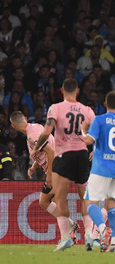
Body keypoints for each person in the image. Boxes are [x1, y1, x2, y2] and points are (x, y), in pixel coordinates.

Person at [32, 78, 96, 251]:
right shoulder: (87, 110)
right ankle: (89, 234)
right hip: (82, 155)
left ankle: (65, 238)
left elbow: (46, 132)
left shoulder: (56, 108)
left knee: (61, 197)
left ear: (61, 90)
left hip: (64, 156)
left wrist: (36, 149)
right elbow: (95, 134)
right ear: (77, 91)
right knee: (85, 197)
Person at [10, 111, 78, 244]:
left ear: (13, 126)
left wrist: (50, 176)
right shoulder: (36, 128)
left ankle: (69, 234)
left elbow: (51, 152)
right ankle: (70, 228)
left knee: (56, 199)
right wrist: (34, 166)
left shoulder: (31, 135)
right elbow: (46, 149)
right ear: (25, 118)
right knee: (45, 200)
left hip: (58, 167)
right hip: (61, 164)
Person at [81, 91, 115, 252]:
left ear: (105, 104)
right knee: (112, 207)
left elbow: (88, 141)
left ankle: (103, 231)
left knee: (90, 203)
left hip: (100, 168)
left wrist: (83, 129)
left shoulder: (99, 120)